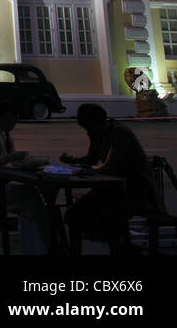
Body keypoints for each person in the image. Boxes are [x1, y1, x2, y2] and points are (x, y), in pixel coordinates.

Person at [61, 103, 160, 253]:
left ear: (99, 123)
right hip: (111, 190)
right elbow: (91, 159)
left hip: (135, 191)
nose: (88, 133)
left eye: (90, 129)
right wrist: (73, 160)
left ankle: (121, 247)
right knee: (74, 215)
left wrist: (85, 170)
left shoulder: (119, 134)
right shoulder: (96, 134)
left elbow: (109, 166)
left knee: (106, 218)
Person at [0, 100, 51, 254]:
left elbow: (13, 165)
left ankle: (38, 247)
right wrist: (10, 157)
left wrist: (29, 163)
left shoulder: (6, 137)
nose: (13, 122)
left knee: (30, 203)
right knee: (31, 198)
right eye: (11, 118)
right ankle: (47, 243)